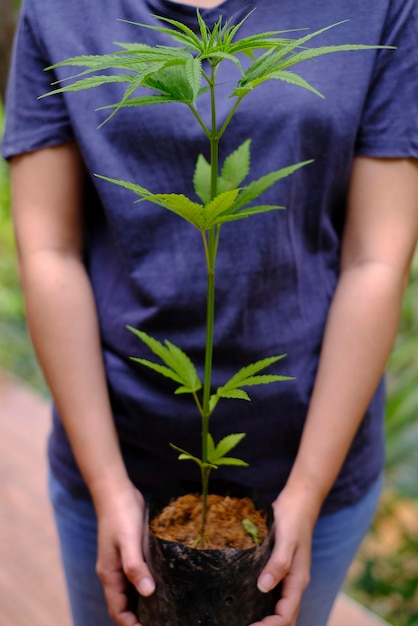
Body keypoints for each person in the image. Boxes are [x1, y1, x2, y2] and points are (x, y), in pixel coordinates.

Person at [2, 0, 418, 625]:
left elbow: (378, 260)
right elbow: (47, 250)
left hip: (310, 466)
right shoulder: (59, 10)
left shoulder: (381, 8)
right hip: (116, 458)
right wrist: (109, 485)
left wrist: (304, 495)